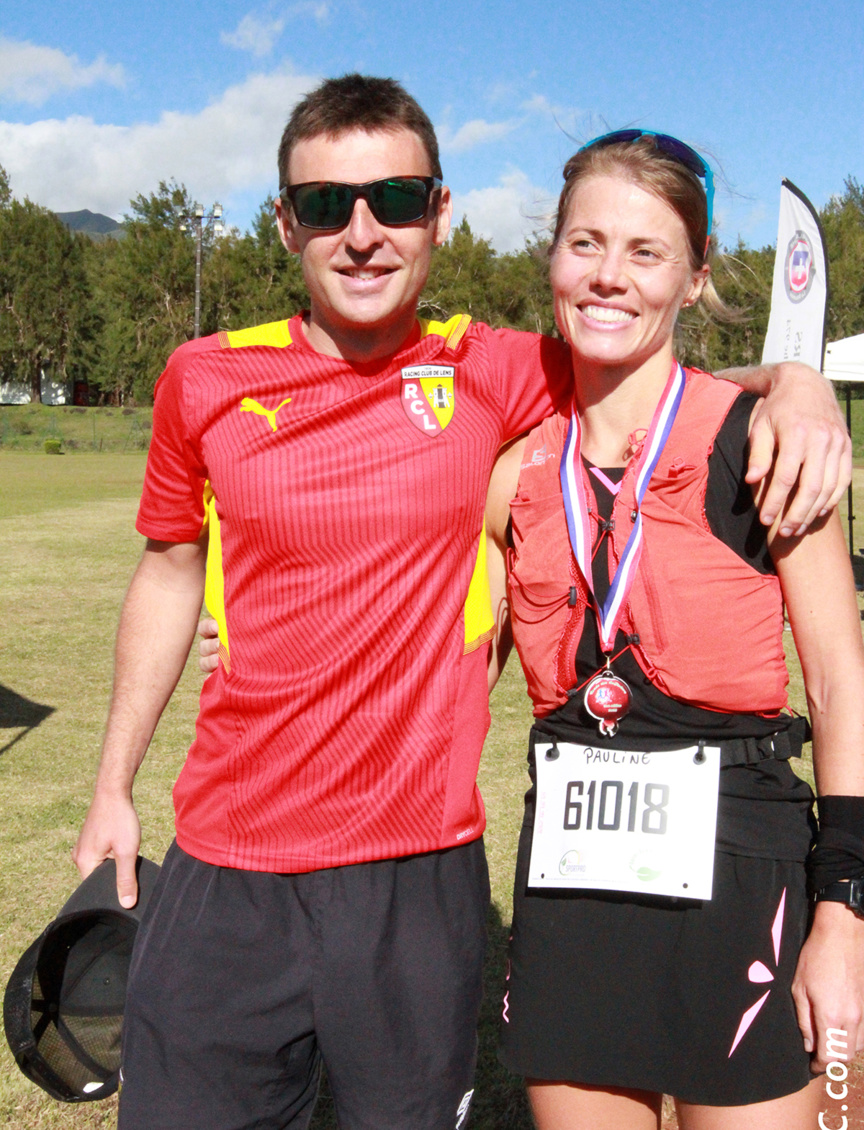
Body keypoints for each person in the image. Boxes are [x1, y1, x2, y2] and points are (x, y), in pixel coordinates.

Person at [73, 74, 849, 1130]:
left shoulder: (490, 367)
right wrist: (113, 784)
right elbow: (171, 568)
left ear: (439, 214)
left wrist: (795, 383)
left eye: (395, 200)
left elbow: (647, 358)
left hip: (427, 872)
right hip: (234, 864)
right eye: (324, 205)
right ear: (284, 222)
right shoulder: (204, 378)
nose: (362, 234)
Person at [483, 131, 864, 1129]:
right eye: (586, 243)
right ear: (553, 258)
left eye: (646, 252)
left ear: (695, 278)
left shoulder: (768, 444)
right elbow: (452, 665)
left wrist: (846, 912)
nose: (609, 275)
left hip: (743, 885)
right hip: (571, 899)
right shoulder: (513, 473)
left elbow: (839, 684)